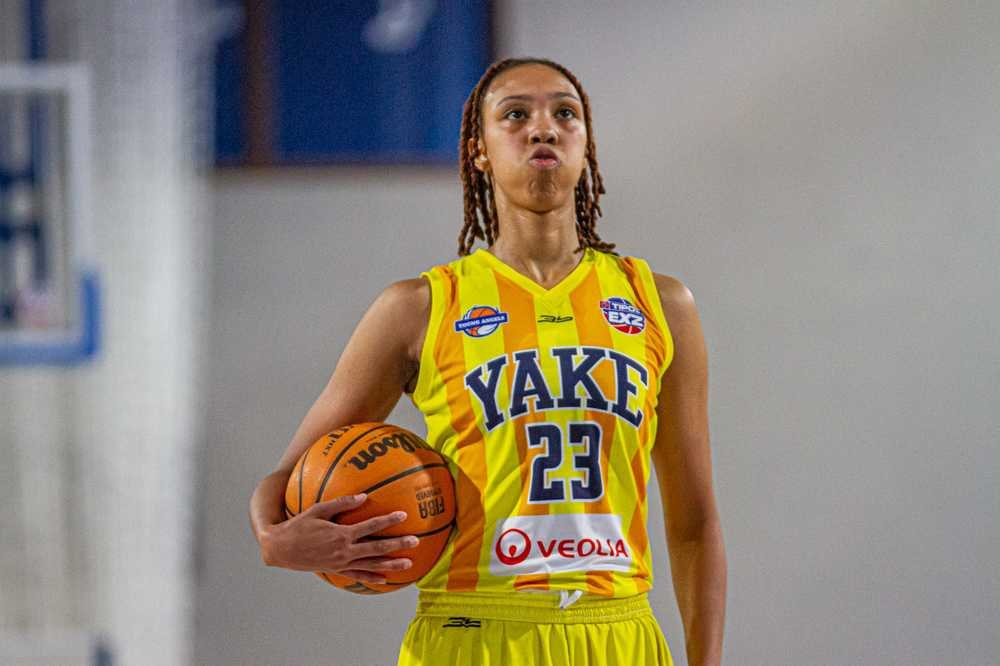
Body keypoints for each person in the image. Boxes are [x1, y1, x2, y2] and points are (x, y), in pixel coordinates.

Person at [249, 57, 726, 666]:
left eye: (565, 113)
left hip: (618, 632)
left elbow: (694, 521)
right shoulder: (420, 307)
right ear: (478, 151)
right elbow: (285, 479)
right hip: (471, 630)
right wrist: (273, 538)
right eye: (516, 115)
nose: (543, 128)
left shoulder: (659, 303)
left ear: (585, 144)